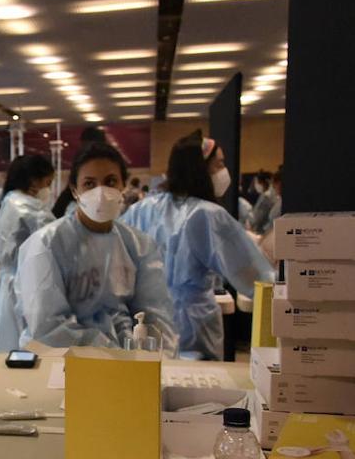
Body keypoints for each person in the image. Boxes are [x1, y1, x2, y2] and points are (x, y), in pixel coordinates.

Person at [121, 131, 274, 360]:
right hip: (192, 325)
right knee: (197, 379)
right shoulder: (208, 215)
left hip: (146, 321)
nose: (223, 171)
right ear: (199, 169)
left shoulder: (142, 209)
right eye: (219, 164)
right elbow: (256, 277)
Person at [17, 142, 177, 353]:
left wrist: (157, 355)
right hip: (61, 358)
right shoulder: (47, 244)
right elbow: (47, 326)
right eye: (89, 184)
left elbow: (155, 314)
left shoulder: (138, 245)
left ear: (123, 185)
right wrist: (107, 350)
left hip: (128, 358)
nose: (100, 192)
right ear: (75, 190)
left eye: (110, 182)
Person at [0, 153, 57, 354]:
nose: (48, 189)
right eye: (47, 183)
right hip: (25, 284)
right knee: (25, 345)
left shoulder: (8, 201)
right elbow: (56, 240)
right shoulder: (30, 208)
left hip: (7, 281)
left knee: (6, 342)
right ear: (34, 181)